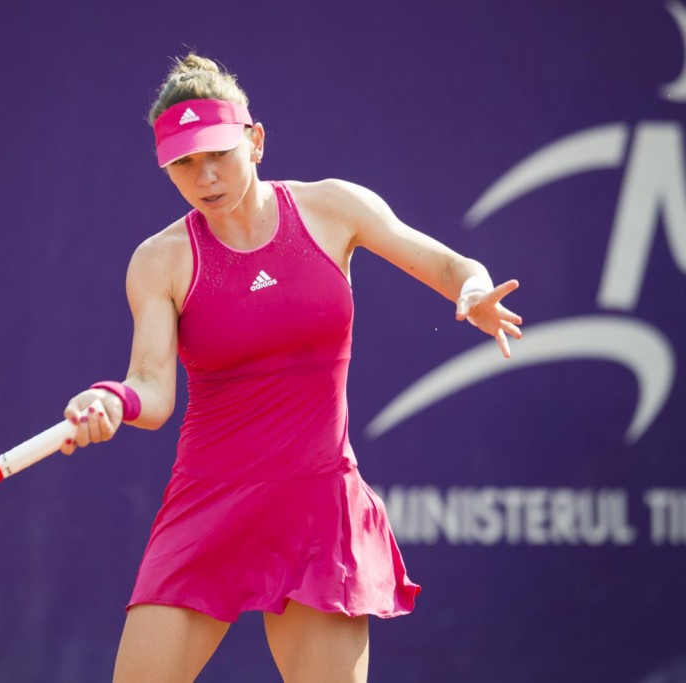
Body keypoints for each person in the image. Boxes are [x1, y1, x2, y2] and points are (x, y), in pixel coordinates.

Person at [61, 54, 522, 683]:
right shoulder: (159, 260)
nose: (205, 176)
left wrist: (473, 291)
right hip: (210, 503)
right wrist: (113, 400)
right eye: (184, 163)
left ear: (254, 140)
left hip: (317, 504)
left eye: (218, 153)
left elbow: (449, 267)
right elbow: (151, 387)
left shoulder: (334, 208)